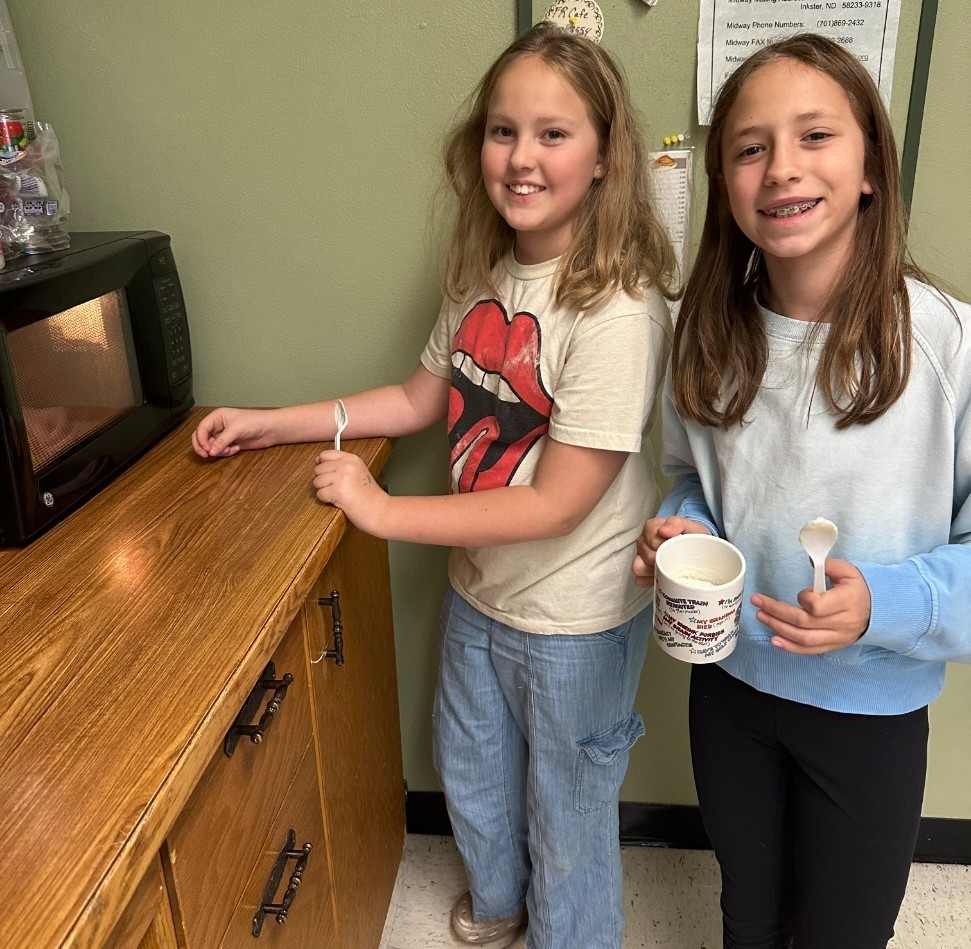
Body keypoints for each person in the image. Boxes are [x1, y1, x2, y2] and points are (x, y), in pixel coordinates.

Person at [194, 21, 676, 949]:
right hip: (480, 593)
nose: (522, 157)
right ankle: (498, 903)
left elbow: (557, 501)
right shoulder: (484, 274)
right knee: (475, 768)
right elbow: (420, 396)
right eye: (503, 131)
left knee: (568, 811)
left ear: (606, 157)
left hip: (575, 618)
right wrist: (273, 421)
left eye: (552, 132)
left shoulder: (616, 308)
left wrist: (379, 511)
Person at [633, 33, 971, 949]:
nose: (780, 167)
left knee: (841, 930)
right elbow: (691, 479)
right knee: (748, 909)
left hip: (871, 712)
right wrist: (684, 535)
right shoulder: (707, 337)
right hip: (733, 693)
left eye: (813, 135)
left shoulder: (946, 346)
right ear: (725, 185)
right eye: (748, 147)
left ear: (869, 163)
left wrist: (883, 605)